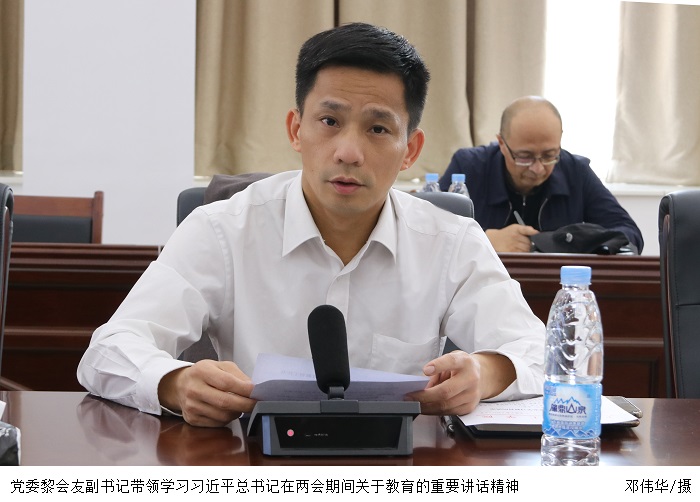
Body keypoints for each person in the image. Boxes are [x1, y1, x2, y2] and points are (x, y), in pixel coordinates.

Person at [77, 22, 544, 428]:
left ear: (411, 150)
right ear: (296, 130)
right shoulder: (222, 230)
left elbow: (543, 353)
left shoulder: (452, 242)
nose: (348, 152)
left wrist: (486, 372)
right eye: (329, 120)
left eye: (378, 129)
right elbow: (109, 350)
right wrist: (175, 383)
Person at [439, 96, 644, 254]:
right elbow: (429, 231)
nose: (537, 169)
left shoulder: (576, 171)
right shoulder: (468, 166)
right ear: (502, 143)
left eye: (549, 155)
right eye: (524, 156)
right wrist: (483, 240)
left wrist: (561, 241)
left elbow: (629, 233)